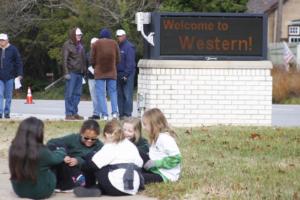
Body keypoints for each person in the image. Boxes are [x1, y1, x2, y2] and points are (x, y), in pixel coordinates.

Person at [73, 120, 143, 197]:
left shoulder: (111, 145)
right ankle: (96, 190)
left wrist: (82, 165)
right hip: (132, 188)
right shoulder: (131, 146)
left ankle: (87, 184)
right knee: (109, 168)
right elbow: (140, 164)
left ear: (107, 134)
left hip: (114, 187)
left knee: (91, 159)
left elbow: (93, 165)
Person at [9, 117, 66, 199]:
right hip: (41, 192)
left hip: (19, 191)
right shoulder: (41, 151)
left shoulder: (13, 148)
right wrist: (61, 150)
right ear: (38, 133)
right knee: (53, 166)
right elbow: (56, 158)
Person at [47, 119, 103, 191]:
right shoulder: (73, 138)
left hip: (85, 172)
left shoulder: (99, 146)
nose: (89, 141)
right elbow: (52, 142)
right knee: (55, 154)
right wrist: (63, 155)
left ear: (97, 136)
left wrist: (78, 161)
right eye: (86, 138)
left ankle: (76, 185)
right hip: (67, 169)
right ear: (81, 133)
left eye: (93, 139)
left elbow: (96, 164)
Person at [141, 108, 182, 184]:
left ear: (156, 125)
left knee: (139, 177)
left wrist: (156, 163)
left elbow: (176, 158)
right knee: (138, 153)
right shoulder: (156, 137)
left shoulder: (165, 138)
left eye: (145, 125)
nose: (144, 128)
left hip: (164, 174)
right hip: (155, 169)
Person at [91, 28, 120, 120]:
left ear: (100, 35)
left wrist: (95, 66)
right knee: (113, 92)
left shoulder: (96, 44)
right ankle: (115, 112)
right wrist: (113, 65)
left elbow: (92, 58)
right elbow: (119, 58)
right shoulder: (114, 43)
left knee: (100, 93)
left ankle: (104, 114)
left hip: (99, 72)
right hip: (111, 71)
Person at [62, 27, 87, 120]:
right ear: (73, 35)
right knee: (69, 94)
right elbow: (64, 60)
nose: (80, 36)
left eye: (80, 35)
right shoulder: (67, 45)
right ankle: (68, 113)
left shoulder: (81, 45)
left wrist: (84, 71)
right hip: (71, 73)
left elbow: (83, 59)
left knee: (77, 94)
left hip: (80, 73)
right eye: (78, 35)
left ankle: (74, 112)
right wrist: (66, 73)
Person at [0, 33, 23, 119]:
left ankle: (7, 112)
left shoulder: (13, 49)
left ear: (7, 40)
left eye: (3, 40)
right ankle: (0, 112)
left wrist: (20, 74)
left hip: (10, 76)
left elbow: (18, 62)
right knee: (0, 94)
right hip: (0, 77)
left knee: (8, 95)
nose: (1, 42)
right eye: (0, 40)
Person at [116, 29, 136, 119]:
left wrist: (126, 75)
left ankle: (127, 114)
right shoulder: (118, 46)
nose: (119, 38)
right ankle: (121, 114)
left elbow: (130, 63)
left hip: (128, 74)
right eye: (118, 36)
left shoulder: (129, 47)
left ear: (124, 36)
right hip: (119, 73)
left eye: (120, 36)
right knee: (119, 95)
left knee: (127, 95)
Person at [86, 37, 100, 120]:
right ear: (91, 45)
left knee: (101, 96)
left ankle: (102, 112)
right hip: (91, 78)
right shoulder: (88, 54)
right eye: (93, 44)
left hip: (100, 78)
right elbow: (87, 65)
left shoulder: (102, 53)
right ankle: (96, 113)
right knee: (94, 96)